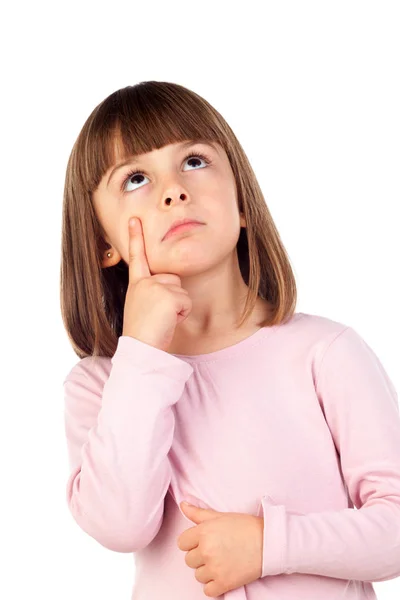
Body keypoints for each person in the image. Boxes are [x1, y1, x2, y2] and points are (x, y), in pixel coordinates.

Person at [61, 81, 400, 600]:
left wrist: (271, 545)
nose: (174, 191)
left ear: (241, 202)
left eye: (194, 162)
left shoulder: (325, 353)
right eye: (135, 178)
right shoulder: (103, 386)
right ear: (103, 243)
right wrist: (143, 356)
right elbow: (119, 524)